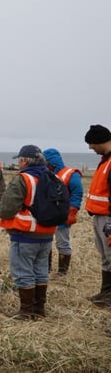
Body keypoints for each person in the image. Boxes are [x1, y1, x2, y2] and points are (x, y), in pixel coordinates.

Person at [0, 145, 55, 319]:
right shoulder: (52, 177)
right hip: (47, 235)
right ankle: (39, 309)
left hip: (25, 234)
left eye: (20, 160)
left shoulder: (23, 179)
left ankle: (26, 312)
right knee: (41, 271)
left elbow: (6, 209)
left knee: (23, 273)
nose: (19, 163)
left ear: (25, 161)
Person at [42, 148, 83, 276]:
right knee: (45, 244)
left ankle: (62, 272)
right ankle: (45, 269)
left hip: (62, 216)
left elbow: (77, 194)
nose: (44, 165)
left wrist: (72, 212)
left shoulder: (71, 174)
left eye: (46, 162)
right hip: (47, 215)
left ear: (52, 162)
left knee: (63, 243)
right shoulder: (46, 173)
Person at [84, 124, 111, 308]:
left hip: (107, 218)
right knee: (105, 257)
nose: (90, 147)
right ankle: (106, 293)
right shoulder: (105, 160)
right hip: (99, 216)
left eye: (92, 143)